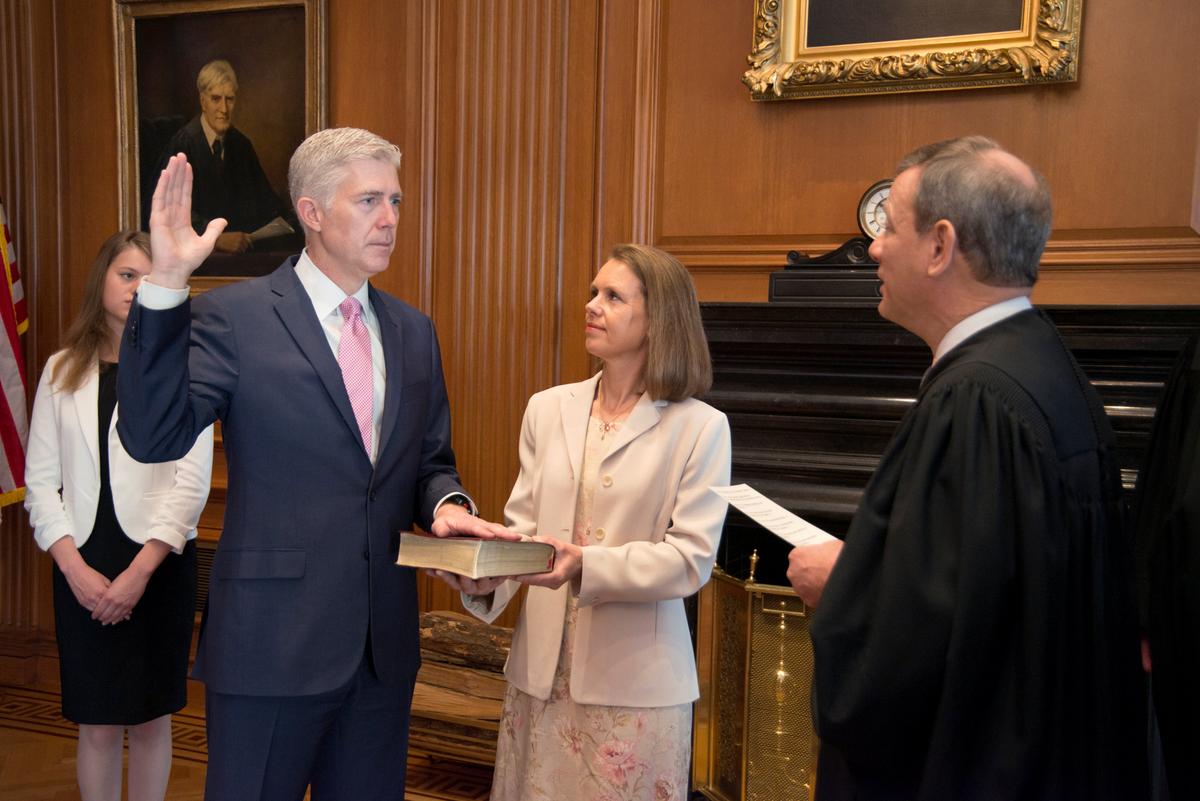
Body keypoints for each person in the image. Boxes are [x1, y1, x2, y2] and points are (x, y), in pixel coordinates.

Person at [117, 127, 511, 801]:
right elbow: (151, 436)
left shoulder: (414, 331)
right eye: (369, 201)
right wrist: (167, 284)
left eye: (395, 199)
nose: (390, 218)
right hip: (269, 647)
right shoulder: (233, 318)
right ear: (312, 211)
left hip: (380, 653)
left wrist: (448, 508)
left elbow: (428, 462)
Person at [786, 137, 1148, 800]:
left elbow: (916, 655)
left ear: (939, 245)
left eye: (889, 227)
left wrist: (844, 586)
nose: (872, 248)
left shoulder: (975, 402)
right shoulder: (1043, 367)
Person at [434, 244, 732, 801]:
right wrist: (488, 574)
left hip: (638, 692)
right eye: (594, 292)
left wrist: (584, 565)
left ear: (657, 319)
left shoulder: (702, 427)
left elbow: (690, 560)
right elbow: (522, 529)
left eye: (613, 297)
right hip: (540, 682)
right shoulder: (547, 409)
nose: (591, 305)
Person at [24, 231, 214, 801]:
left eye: (150, 277)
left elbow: (191, 482)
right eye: (126, 274)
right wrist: (75, 572)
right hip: (82, 565)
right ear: (101, 282)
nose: (137, 287)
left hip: (156, 566)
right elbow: (40, 483)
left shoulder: (184, 367)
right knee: (99, 722)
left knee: (153, 718)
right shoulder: (61, 371)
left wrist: (138, 575)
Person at [155, 59, 294, 254]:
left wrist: (290, 218)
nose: (224, 109)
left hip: (240, 257)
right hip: (195, 258)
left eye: (229, 99)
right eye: (216, 99)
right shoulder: (183, 144)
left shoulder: (241, 145)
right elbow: (168, 210)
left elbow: (264, 199)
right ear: (203, 101)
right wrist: (216, 239)